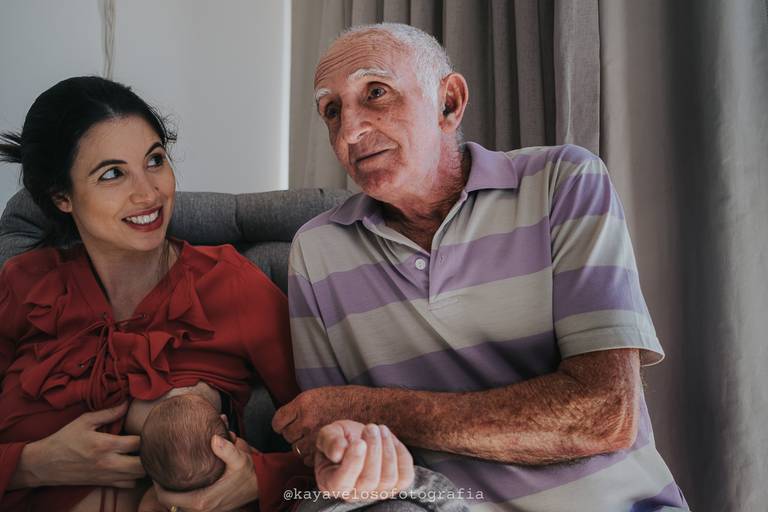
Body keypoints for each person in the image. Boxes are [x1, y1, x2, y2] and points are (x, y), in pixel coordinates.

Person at [274, 23, 689, 511]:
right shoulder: (317, 250)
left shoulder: (562, 182)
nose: (350, 131)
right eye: (331, 110)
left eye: (376, 93)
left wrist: (370, 407)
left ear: (448, 103)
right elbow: (331, 433)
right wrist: (343, 456)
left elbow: (604, 415)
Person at [0, 76, 415, 512]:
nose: (148, 193)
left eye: (155, 160)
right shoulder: (23, 284)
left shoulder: (231, 286)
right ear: (62, 196)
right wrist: (33, 464)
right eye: (112, 174)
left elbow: (335, 437)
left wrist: (259, 478)